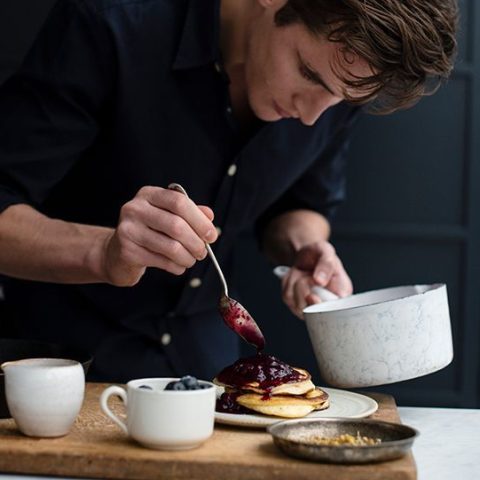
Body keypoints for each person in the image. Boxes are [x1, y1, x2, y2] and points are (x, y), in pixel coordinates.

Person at [0, 0, 457, 382]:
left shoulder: (341, 76)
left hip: (210, 376)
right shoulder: (111, 22)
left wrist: (303, 248)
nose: (313, 116)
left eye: (341, 101)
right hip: (58, 375)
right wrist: (104, 253)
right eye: (310, 75)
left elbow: (304, 204)